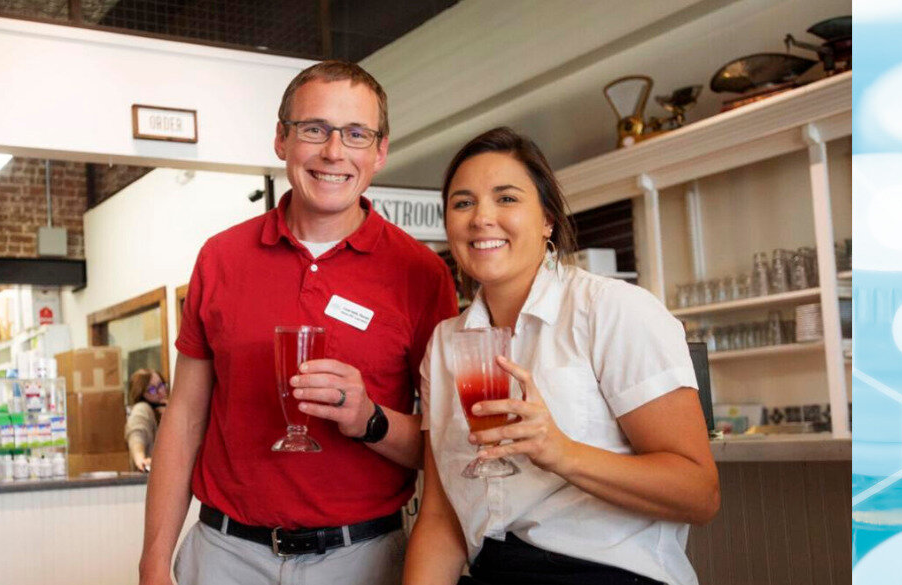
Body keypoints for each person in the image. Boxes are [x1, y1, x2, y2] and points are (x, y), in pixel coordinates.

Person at [139, 60, 460, 585]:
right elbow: (185, 417)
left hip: (364, 558)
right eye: (315, 129)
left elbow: (446, 443)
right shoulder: (220, 258)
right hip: (224, 555)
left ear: (379, 151)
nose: (335, 152)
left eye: (356, 134)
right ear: (281, 140)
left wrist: (369, 418)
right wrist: (154, 560)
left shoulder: (421, 274)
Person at [404, 127, 719, 585]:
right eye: (463, 202)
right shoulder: (446, 344)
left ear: (547, 218)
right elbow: (440, 516)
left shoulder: (612, 310)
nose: (481, 218)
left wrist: (562, 453)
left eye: (507, 198)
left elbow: (700, 494)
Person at [126, 368, 169, 472]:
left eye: (161, 385)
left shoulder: (166, 410)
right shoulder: (142, 408)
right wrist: (140, 458)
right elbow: (136, 433)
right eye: (152, 390)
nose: (160, 392)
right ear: (141, 393)